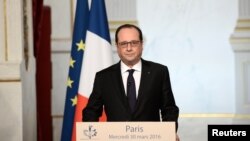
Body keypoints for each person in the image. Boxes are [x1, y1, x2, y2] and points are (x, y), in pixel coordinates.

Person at [82, 24, 180, 141]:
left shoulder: (159, 72)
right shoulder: (103, 77)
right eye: (124, 44)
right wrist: (90, 136)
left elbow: (169, 109)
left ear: (141, 45)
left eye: (134, 43)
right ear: (117, 46)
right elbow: (91, 111)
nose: (129, 48)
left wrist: (169, 132)